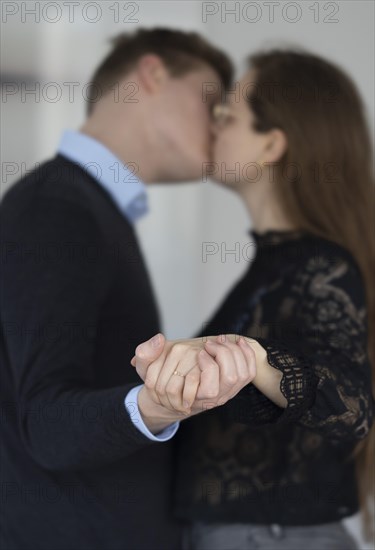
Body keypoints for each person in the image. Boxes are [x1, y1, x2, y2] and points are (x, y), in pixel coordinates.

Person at [0, 28, 257, 550]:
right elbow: (46, 422)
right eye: (212, 104)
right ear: (153, 74)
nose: (217, 127)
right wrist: (158, 404)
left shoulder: (85, 206)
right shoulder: (59, 208)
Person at [132, 49, 375, 549]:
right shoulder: (278, 266)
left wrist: (250, 361)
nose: (213, 127)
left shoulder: (319, 268)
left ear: (271, 144)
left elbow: (354, 406)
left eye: (229, 116)